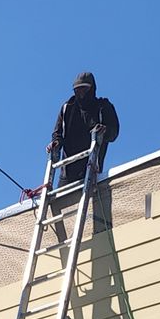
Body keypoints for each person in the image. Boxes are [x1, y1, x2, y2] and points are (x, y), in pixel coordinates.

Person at [47, 71, 121, 243]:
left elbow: (114, 132)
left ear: (92, 89)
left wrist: (104, 131)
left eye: (84, 90)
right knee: (57, 205)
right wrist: (55, 144)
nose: (80, 94)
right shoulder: (68, 108)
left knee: (97, 201)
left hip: (91, 167)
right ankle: (62, 242)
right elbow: (57, 134)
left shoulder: (103, 107)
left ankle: (100, 237)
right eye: (77, 90)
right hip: (68, 169)